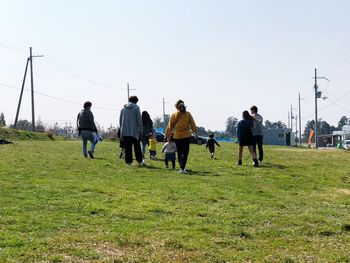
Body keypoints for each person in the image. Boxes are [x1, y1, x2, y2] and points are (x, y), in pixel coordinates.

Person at [166, 100, 198, 174]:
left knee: (179, 153)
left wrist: (168, 135)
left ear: (176, 106)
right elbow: (193, 124)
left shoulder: (174, 114)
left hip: (176, 136)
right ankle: (182, 168)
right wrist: (196, 132)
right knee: (185, 153)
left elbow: (170, 126)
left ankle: (181, 167)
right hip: (186, 136)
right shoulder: (188, 114)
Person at [119, 96, 143, 166]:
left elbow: (120, 121)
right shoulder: (136, 107)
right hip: (134, 131)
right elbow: (139, 119)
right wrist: (141, 128)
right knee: (137, 147)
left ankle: (128, 162)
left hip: (125, 132)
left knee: (127, 148)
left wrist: (121, 130)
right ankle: (139, 161)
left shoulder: (123, 109)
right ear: (136, 101)